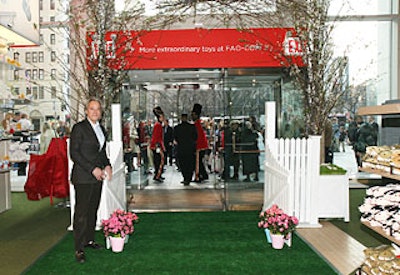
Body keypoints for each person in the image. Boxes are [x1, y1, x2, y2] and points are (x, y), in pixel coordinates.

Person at [69, 98, 112, 263]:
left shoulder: (101, 129)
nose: (95, 112)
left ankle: (89, 240)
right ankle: (79, 249)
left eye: (98, 109)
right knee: (81, 213)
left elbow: (101, 153)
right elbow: (75, 153)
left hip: (97, 177)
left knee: (93, 209)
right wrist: (92, 169)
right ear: (86, 111)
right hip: (83, 177)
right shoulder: (79, 128)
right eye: (92, 109)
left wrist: (107, 165)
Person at [174, 113, 197, 185]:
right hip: (190, 149)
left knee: (183, 164)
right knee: (190, 164)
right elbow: (195, 137)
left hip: (181, 149)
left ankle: (185, 178)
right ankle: (188, 178)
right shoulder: (192, 127)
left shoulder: (177, 128)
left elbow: (175, 138)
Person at [191, 103, 209, 183]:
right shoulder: (198, 124)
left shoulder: (196, 124)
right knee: (199, 162)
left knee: (197, 163)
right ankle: (204, 175)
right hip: (201, 145)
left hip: (199, 146)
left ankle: (198, 176)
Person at [150, 106, 165, 183]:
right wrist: (157, 146)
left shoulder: (158, 125)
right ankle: (157, 175)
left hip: (157, 145)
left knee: (158, 161)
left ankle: (158, 174)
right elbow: (156, 137)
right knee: (159, 161)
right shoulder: (158, 125)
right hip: (157, 145)